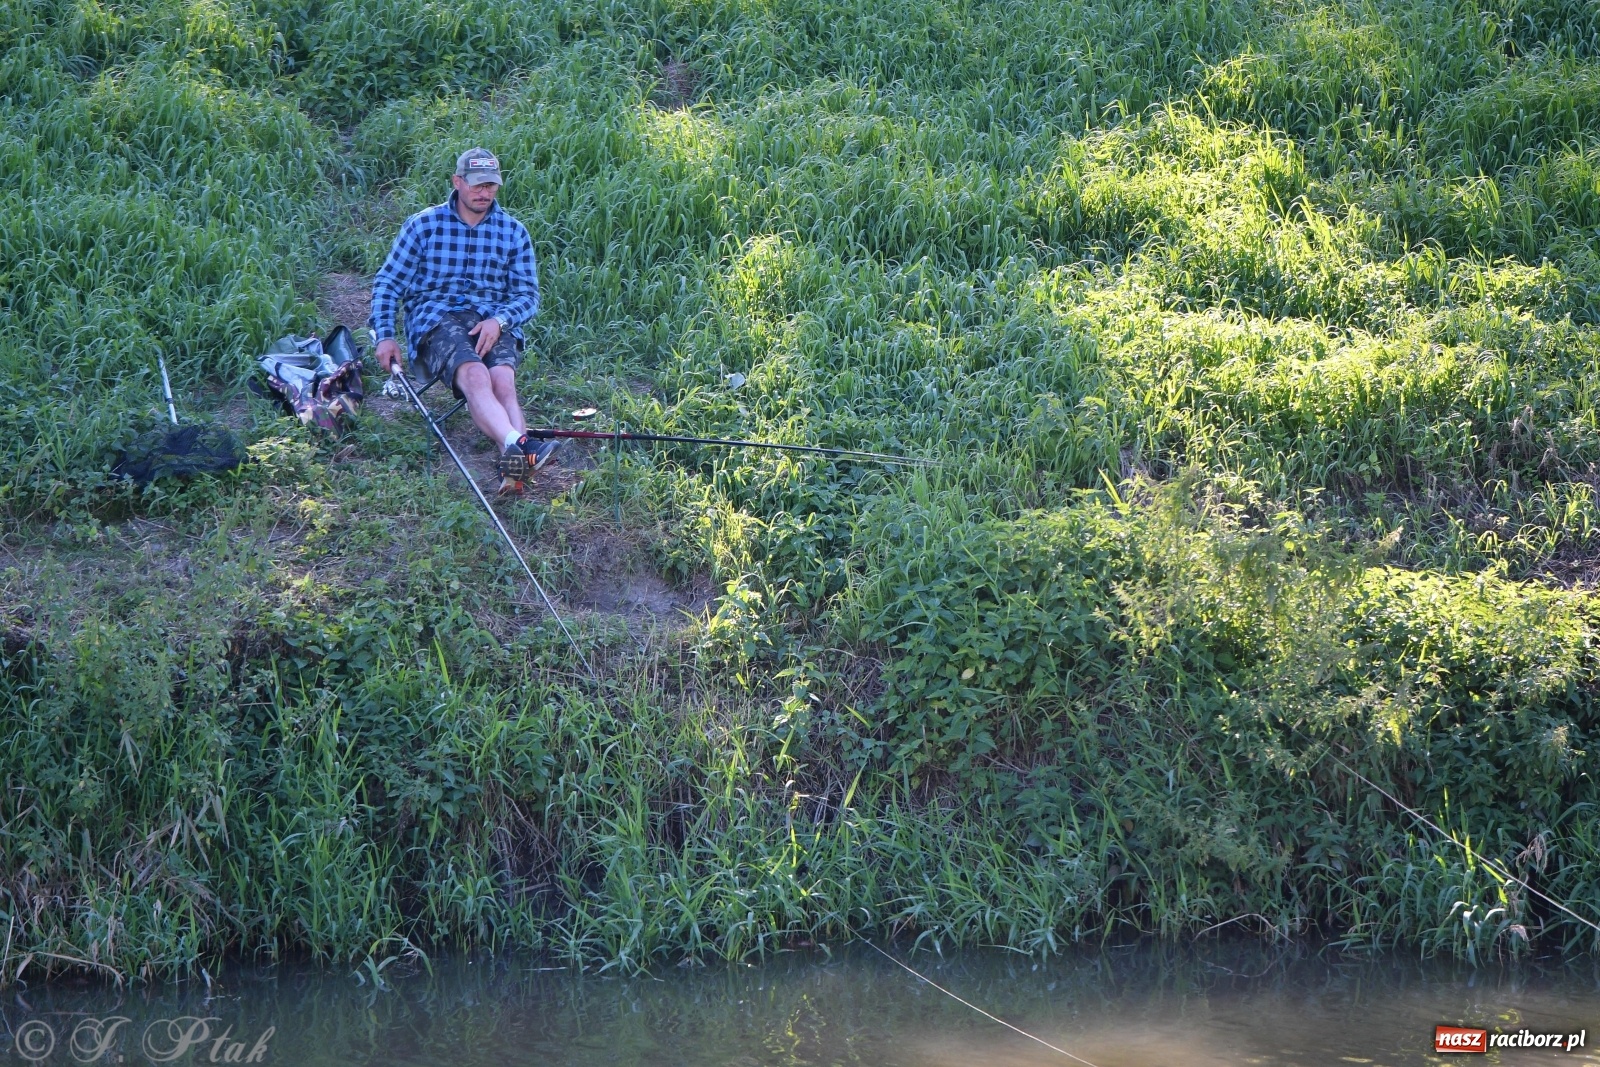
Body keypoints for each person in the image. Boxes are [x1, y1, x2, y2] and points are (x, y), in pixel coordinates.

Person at [369, 147, 559, 494]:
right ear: (457, 182)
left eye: (491, 185)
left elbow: (528, 296)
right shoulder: (423, 226)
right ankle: (522, 444)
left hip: (492, 319)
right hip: (436, 317)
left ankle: (514, 466)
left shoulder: (513, 232)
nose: (485, 193)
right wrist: (384, 334)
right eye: (477, 185)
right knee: (475, 374)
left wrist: (500, 320)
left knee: (502, 381)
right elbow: (388, 283)